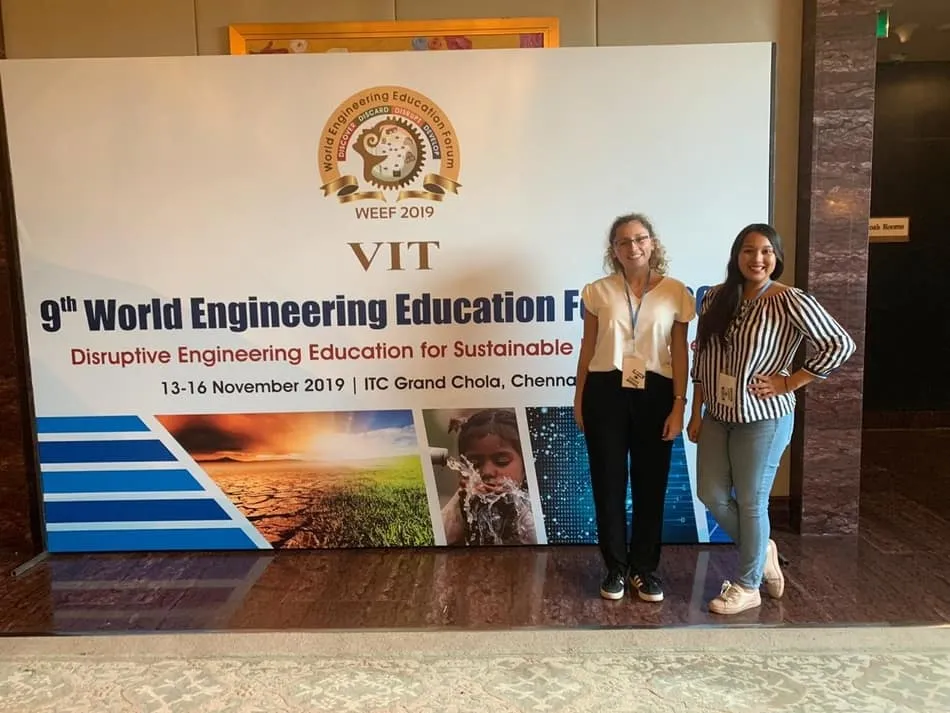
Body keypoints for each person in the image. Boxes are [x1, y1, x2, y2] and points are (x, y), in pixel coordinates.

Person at [687, 223, 855, 615]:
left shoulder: (790, 299)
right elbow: (703, 357)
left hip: (763, 418)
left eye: (766, 251)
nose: (757, 259)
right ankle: (762, 549)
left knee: (751, 501)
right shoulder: (715, 297)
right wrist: (696, 411)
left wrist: (789, 382)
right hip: (717, 415)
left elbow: (840, 344)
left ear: (776, 257)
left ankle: (748, 586)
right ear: (736, 255)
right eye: (748, 250)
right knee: (710, 494)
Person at [574, 213, 696, 601]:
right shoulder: (597, 292)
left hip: (656, 392)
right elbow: (587, 347)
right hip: (605, 391)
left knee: (651, 483)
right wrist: (579, 398)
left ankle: (644, 569)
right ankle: (615, 568)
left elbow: (680, 352)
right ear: (614, 250)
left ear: (652, 243)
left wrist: (679, 404)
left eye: (640, 239)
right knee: (607, 483)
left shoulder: (676, 292)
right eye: (623, 241)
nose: (633, 247)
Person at [440, 408, 538, 546]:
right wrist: (462, 506)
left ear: (526, 467)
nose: (487, 472)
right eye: (474, 463)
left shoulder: (543, 506)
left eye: (502, 461)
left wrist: (513, 506)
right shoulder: (462, 503)